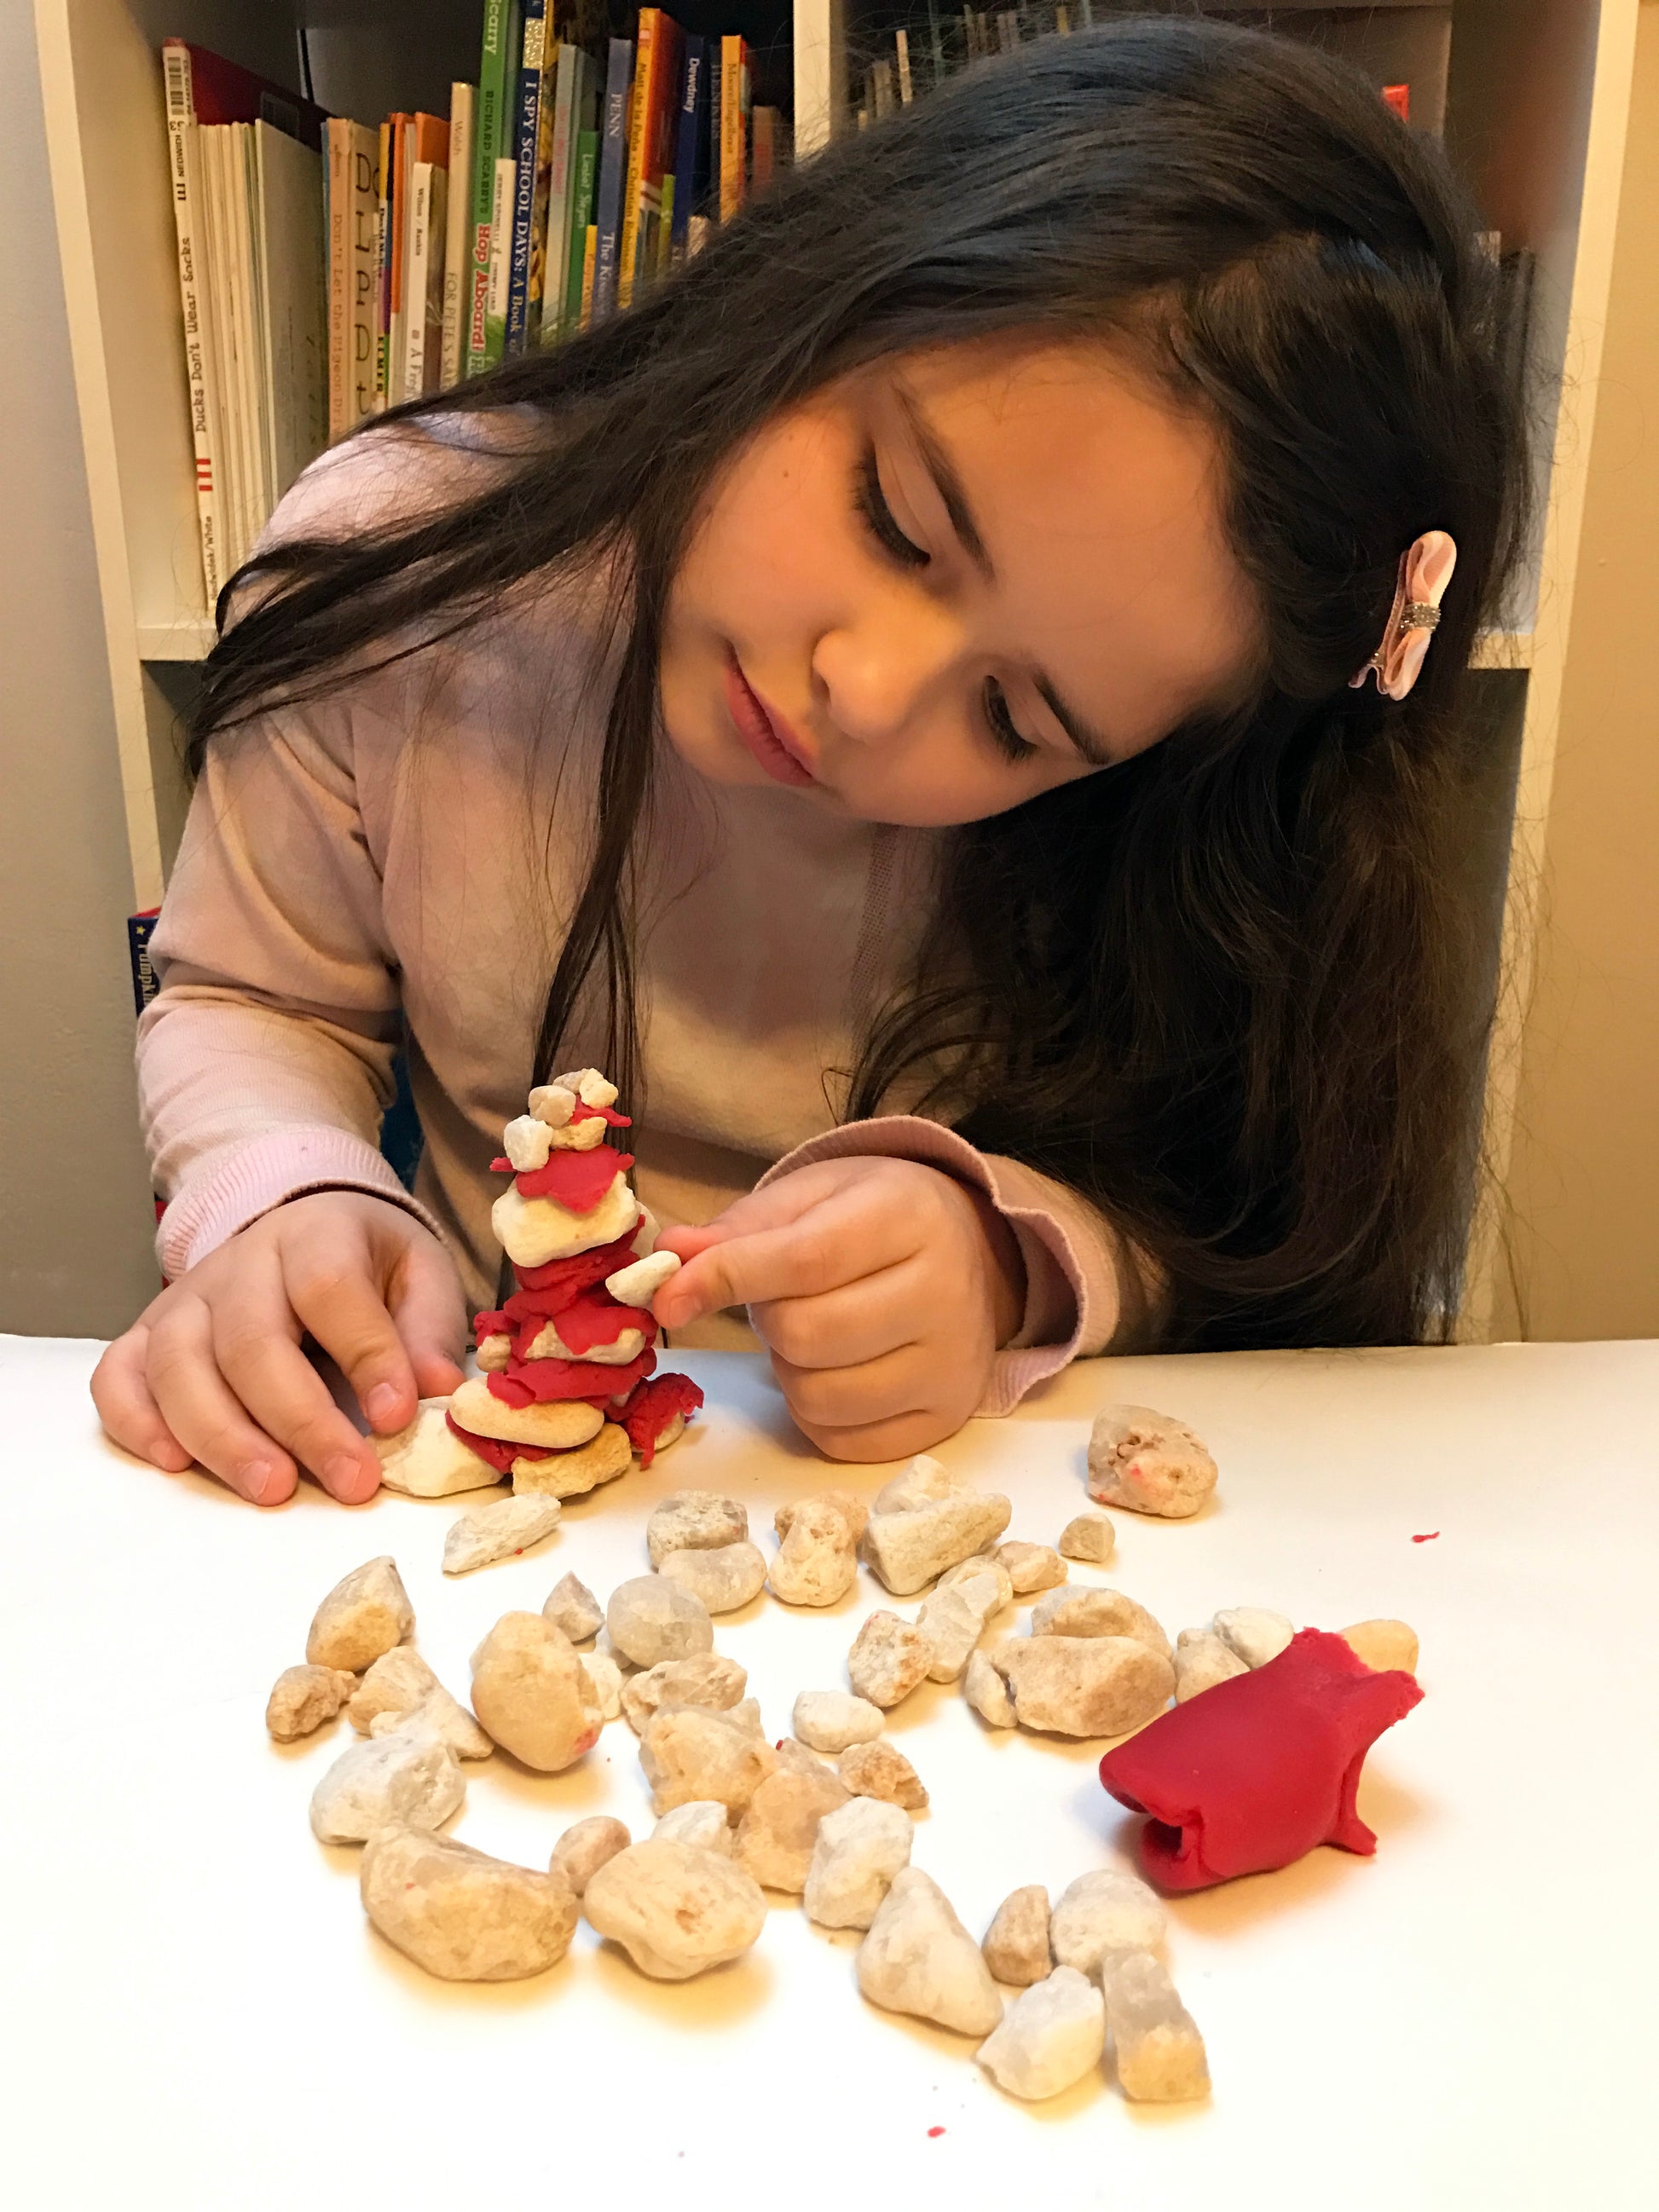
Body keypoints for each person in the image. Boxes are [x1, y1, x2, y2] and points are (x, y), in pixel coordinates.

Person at [91, 18, 1529, 1506]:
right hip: (472, 1448)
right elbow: (250, 995)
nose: (865, 687)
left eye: (1012, 722)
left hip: (917, 1523)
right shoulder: (407, 570)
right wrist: (277, 1190)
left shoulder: (1162, 832)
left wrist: (1012, 1262)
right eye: (894, 517)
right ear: (814, 297)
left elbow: (1223, 1203)